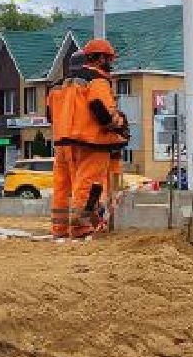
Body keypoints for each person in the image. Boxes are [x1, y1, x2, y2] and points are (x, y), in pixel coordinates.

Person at [45, 38, 130, 239]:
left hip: (63, 143)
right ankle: (80, 226)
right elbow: (101, 109)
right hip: (92, 142)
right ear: (100, 58)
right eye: (109, 59)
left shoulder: (57, 86)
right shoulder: (97, 80)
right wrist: (119, 125)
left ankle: (60, 228)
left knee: (63, 187)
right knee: (88, 184)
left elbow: (49, 116)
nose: (111, 63)